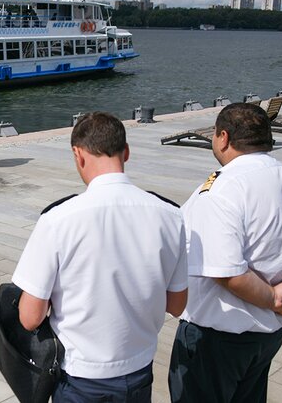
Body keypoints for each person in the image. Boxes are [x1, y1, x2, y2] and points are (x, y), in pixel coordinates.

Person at [12, 112, 187, 402]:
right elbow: (178, 305)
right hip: (139, 370)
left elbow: (30, 318)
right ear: (126, 152)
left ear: (78, 155)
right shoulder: (171, 215)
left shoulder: (58, 219)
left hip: (79, 377)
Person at [168, 102, 282, 403]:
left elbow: (228, 273)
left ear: (223, 137)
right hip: (269, 332)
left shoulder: (222, 189)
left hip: (218, 335)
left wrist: (274, 299)